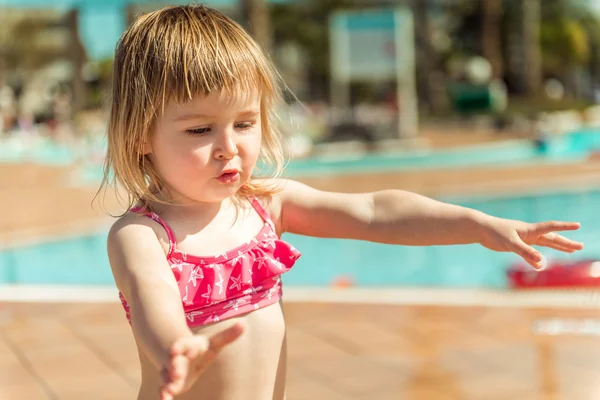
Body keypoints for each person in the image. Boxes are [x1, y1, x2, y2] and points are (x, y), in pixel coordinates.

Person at [98, 5, 584, 400]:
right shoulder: (143, 235)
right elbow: (151, 299)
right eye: (200, 129)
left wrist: (476, 223)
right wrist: (176, 348)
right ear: (142, 134)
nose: (229, 146)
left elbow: (375, 212)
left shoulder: (267, 205)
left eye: (244, 123)